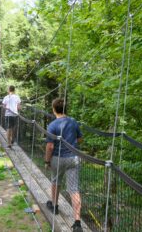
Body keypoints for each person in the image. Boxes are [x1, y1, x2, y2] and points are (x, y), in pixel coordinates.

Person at [45, 98, 83, 232]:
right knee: (74, 188)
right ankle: (77, 222)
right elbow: (80, 139)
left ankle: (54, 206)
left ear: (54, 109)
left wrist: (47, 161)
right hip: (73, 158)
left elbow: (50, 146)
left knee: (55, 181)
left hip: (58, 158)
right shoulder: (73, 122)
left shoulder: (53, 125)